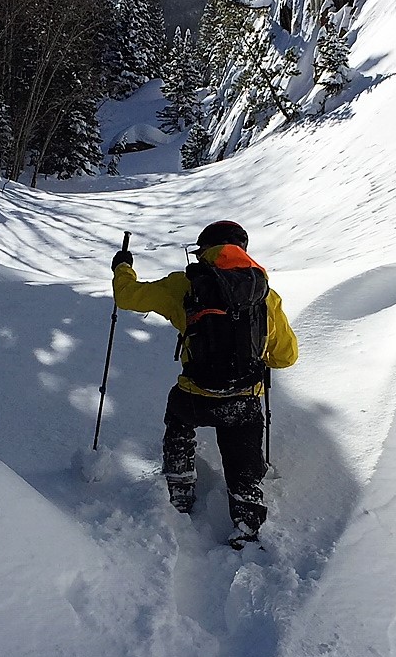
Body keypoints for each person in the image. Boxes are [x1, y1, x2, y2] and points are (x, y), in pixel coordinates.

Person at [111, 220, 298, 543]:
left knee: (179, 420)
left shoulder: (184, 284)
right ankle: (246, 516)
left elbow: (127, 298)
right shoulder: (265, 294)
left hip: (196, 394)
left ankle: (180, 487)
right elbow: (286, 357)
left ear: (205, 252)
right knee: (243, 453)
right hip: (243, 397)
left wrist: (122, 268)